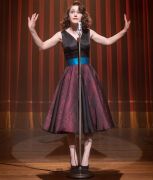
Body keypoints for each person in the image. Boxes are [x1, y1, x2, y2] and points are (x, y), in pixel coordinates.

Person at [28, 1, 131, 170]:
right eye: (72, 12)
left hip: (87, 77)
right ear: (68, 16)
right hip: (70, 78)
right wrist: (32, 30)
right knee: (70, 120)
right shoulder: (61, 35)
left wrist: (124, 31)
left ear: (83, 16)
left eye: (78, 12)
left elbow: (107, 41)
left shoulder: (88, 33)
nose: (75, 14)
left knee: (89, 117)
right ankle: (73, 159)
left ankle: (85, 159)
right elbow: (42, 46)